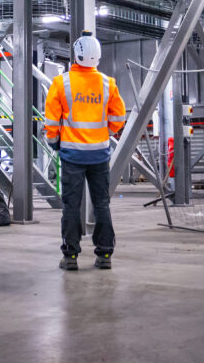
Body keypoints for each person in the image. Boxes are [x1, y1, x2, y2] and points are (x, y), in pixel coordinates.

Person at [44, 31, 126, 271]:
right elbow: (119, 117)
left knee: (71, 206)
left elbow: (51, 121)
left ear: (76, 54)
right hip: (99, 154)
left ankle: (70, 257)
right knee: (102, 204)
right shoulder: (107, 83)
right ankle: (104, 256)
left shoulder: (62, 82)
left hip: (72, 154)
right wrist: (105, 132)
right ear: (97, 56)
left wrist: (54, 142)